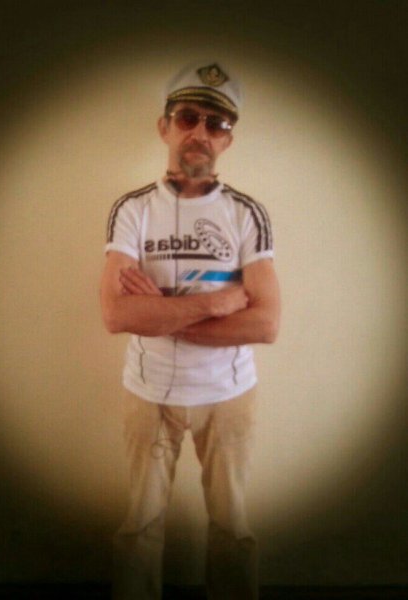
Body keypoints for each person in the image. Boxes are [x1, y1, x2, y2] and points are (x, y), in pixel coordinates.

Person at [100, 61, 281, 600]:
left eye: (216, 123)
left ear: (227, 140)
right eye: (187, 117)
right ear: (165, 127)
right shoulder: (132, 210)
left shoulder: (247, 214)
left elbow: (266, 324)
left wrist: (162, 313)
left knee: (232, 528)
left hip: (228, 395)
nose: (200, 131)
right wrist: (217, 304)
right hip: (147, 393)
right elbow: (116, 315)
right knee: (140, 527)